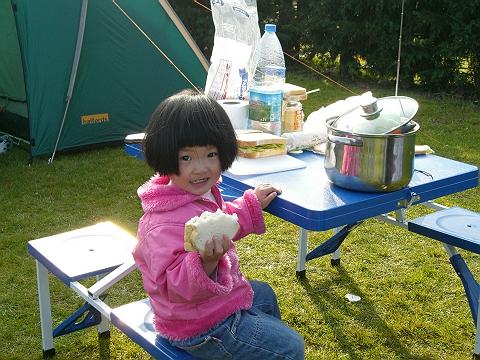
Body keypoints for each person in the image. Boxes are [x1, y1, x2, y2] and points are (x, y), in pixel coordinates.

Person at [133, 89, 304, 359]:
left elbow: (222, 220)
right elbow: (175, 287)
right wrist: (206, 263)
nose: (201, 168)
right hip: (198, 326)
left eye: (210, 154)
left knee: (265, 295)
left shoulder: (195, 194)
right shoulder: (161, 224)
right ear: (166, 158)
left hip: (213, 303)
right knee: (291, 347)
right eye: (186, 158)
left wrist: (251, 205)